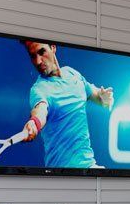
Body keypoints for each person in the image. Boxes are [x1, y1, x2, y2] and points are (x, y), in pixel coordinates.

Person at [20, 40, 114, 169]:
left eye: (42, 52)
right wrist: (34, 122)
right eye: (33, 56)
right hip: (60, 174)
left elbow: (97, 96)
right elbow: (40, 110)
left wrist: (104, 97)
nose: (38, 61)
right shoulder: (39, 89)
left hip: (89, 167)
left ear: (53, 47)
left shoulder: (72, 74)